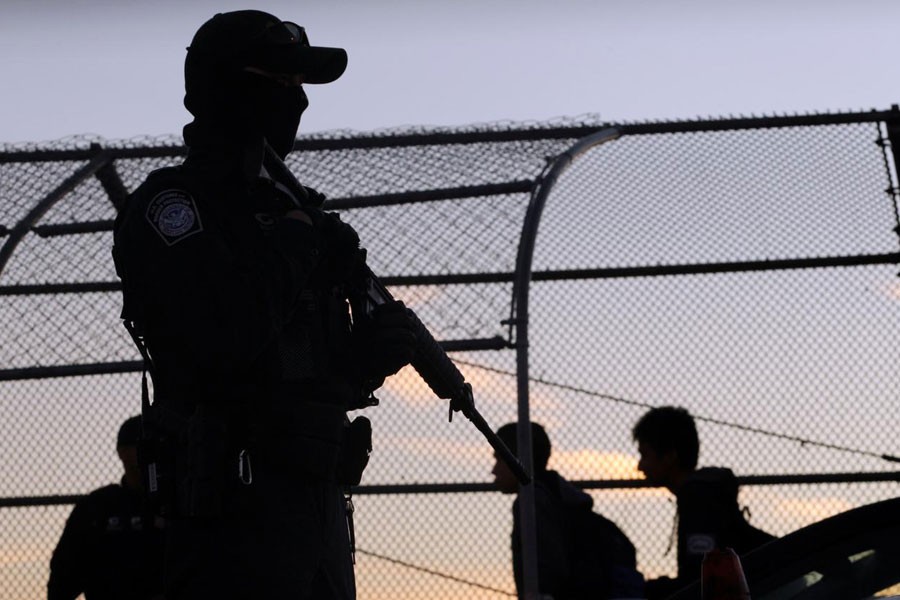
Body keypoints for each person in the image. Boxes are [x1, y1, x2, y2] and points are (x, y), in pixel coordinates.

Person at [111, 10, 417, 600]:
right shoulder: (175, 206)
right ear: (230, 88)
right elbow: (221, 340)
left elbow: (297, 364)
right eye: (281, 82)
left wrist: (364, 363)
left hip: (317, 510)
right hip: (229, 516)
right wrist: (299, 238)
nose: (298, 102)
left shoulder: (292, 212)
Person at [632, 406, 775, 599]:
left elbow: (698, 580)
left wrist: (643, 590)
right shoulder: (701, 495)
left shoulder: (699, 500)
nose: (639, 466)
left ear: (670, 456)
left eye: (644, 454)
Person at [493, 422, 645, 600]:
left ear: (517, 458)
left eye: (499, 459)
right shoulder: (557, 497)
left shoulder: (531, 501)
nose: (494, 470)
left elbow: (549, 572)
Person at [47, 415, 165, 600]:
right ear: (122, 452)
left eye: (156, 446)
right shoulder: (97, 508)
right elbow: (63, 578)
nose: (149, 453)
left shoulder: (184, 504)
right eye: (139, 446)